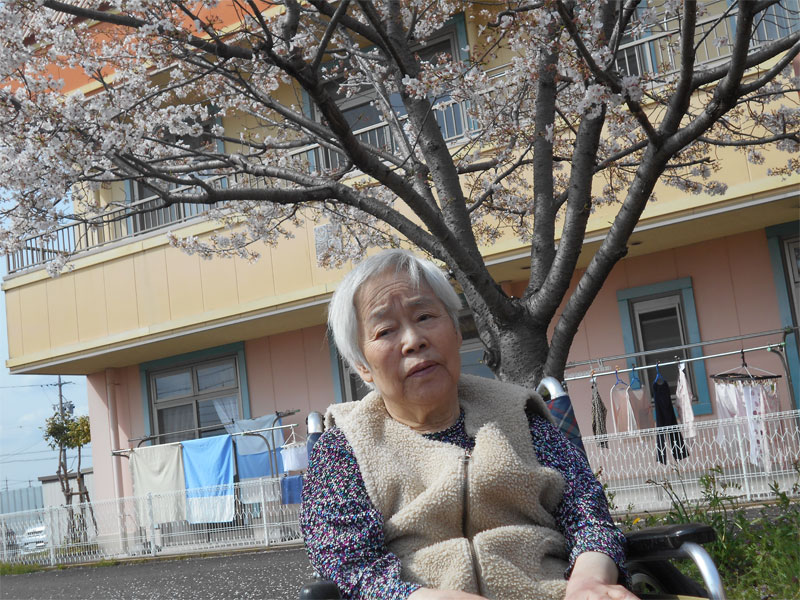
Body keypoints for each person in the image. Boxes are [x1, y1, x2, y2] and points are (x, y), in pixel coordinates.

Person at [300, 249, 638, 600]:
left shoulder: (520, 417)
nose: (414, 340)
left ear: (457, 331)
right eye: (385, 330)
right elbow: (349, 565)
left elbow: (587, 515)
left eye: (425, 316)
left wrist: (590, 580)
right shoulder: (346, 448)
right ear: (362, 366)